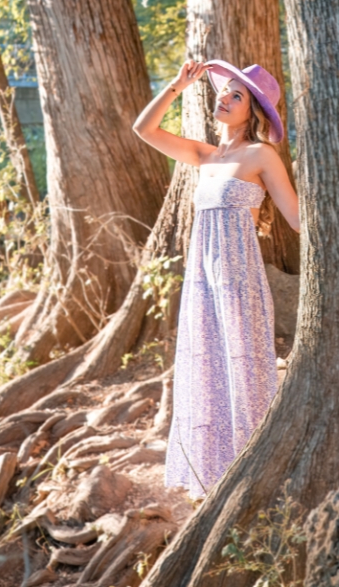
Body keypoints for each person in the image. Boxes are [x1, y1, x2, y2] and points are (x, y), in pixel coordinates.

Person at [132, 58, 300, 499]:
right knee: (206, 366)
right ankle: (213, 472)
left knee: (244, 368)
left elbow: (298, 219)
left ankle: (253, 468)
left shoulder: (261, 155)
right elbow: (144, 131)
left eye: (237, 95)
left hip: (239, 278)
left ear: (254, 111)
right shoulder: (204, 155)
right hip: (201, 282)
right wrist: (177, 86)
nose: (224, 98)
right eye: (224, 91)